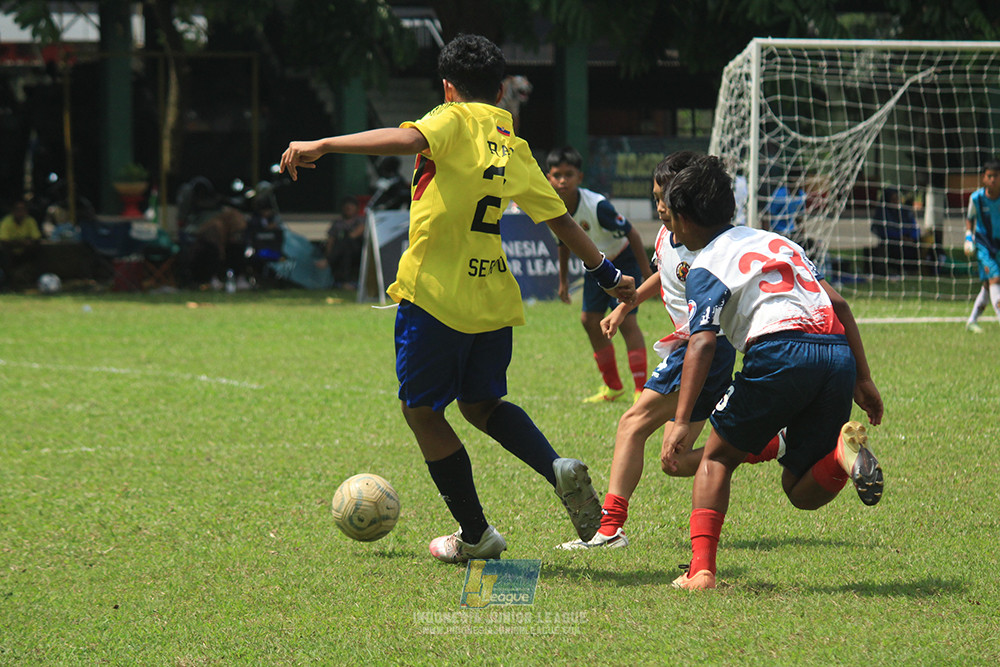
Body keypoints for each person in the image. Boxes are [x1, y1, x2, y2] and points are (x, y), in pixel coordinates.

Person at [279, 33, 637, 564]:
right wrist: (606, 273)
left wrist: (326, 144)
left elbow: (405, 142)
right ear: (500, 89)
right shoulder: (512, 144)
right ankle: (553, 465)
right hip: (492, 293)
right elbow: (558, 219)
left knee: (421, 411)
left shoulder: (449, 119)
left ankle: (476, 533)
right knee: (481, 403)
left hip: (435, 294)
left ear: (448, 88)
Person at [661, 156, 884, 590]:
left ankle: (701, 571)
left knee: (716, 457)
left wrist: (682, 420)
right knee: (799, 487)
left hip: (779, 350)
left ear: (685, 218)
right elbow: (839, 305)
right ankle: (845, 456)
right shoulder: (779, 241)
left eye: (671, 217)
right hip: (836, 352)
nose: (669, 228)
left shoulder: (705, 265)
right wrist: (862, 379)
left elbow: (703, 341)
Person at [557, 151, 779, 550]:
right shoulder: (669, 234)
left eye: (667, 197)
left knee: (631, 423)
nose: (660, 205)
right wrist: (626, 304)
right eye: (656, 196)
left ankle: (609, 528)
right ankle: (770, 444)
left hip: (700, 349)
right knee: (674, 462)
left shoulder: (707, 245)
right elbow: (663, 273)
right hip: (700, 350)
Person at [545, 146, 653, 404]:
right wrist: (563, 282)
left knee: (627, 322)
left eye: (568, 174)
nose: (562, 180)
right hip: (595, 266)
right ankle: (613, 386)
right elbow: (563, 243)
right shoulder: (552, 208)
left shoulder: (598, 206)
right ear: (548, 178)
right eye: (557, 175)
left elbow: (632, 233)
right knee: (588, 320)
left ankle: (641, 389)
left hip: (622, 261)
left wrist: (646, 271)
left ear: (579, 178)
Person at [963, 157, 1000, 334]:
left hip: (998, 245)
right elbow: (970, 219)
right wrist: (968, 238)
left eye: (996, 176)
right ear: (983, 178)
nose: (993, 179)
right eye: (989, 176)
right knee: (995, 279)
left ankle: (971, 321)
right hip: (984, 246)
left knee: (988, 286)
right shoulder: (976, 198)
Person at [868, 187, 921, 276]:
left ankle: (913, 270)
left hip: (908, 240)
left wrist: (912, 237)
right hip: (892, 242)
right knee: (895, 248)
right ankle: (895, 270)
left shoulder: (904, 212)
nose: (896, 201)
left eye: (897, 198)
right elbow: (881, 230)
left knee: (916, 246)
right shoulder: (883, 213)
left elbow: (915, 227)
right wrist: (899, 237)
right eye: (893, 199)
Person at [321, 196, 366, 288]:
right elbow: (331, 240)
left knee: (347, 242)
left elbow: (354, 235)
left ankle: (329, 260)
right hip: (342, 252)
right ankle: (344, 281)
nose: (348, 209)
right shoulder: (338, 223)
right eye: (346, 207)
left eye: (351, 207)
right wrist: (328, 253)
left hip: (359, 250)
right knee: (346, 250)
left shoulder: (361, 220)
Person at [0, 199, 42, 290]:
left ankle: (34, 280)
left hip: (24, 252)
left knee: (37, 251)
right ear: (13, 211)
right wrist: (23, 242)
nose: (20, 212)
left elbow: (36, 239)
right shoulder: (6, 222)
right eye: (18, 209)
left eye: (23, 209)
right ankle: (8, 283)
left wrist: (22, 244)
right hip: (9, 254)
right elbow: (4, 242)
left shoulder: (30, 221)